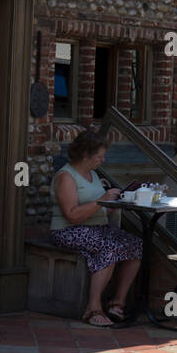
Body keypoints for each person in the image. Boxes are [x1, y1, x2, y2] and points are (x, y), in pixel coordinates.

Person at [49, 131, 142, 327]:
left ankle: (117, 302)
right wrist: (101, 201)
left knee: (136, 245)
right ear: (85, 154)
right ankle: (92, 309)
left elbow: (99, 210)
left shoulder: (93, 174)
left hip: (96, 227)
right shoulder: (66, 177)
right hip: (68, 231)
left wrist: (117, 201)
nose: (103, 160)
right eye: (99, 156)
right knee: (109, 245)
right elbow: (72, 215)